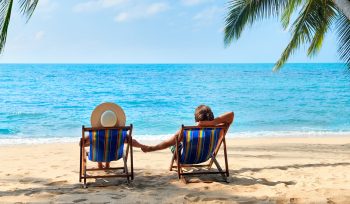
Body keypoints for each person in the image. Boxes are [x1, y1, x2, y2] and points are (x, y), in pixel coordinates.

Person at [141, 105, 234, 152]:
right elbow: (231, 114)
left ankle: (179, 163)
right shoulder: (219, 129)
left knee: (173, 146)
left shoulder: (186, 131)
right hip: (207, 155)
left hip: (188, 158)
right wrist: (212, 123)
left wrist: (151, 148)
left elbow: (167, 143)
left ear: (196, 118)